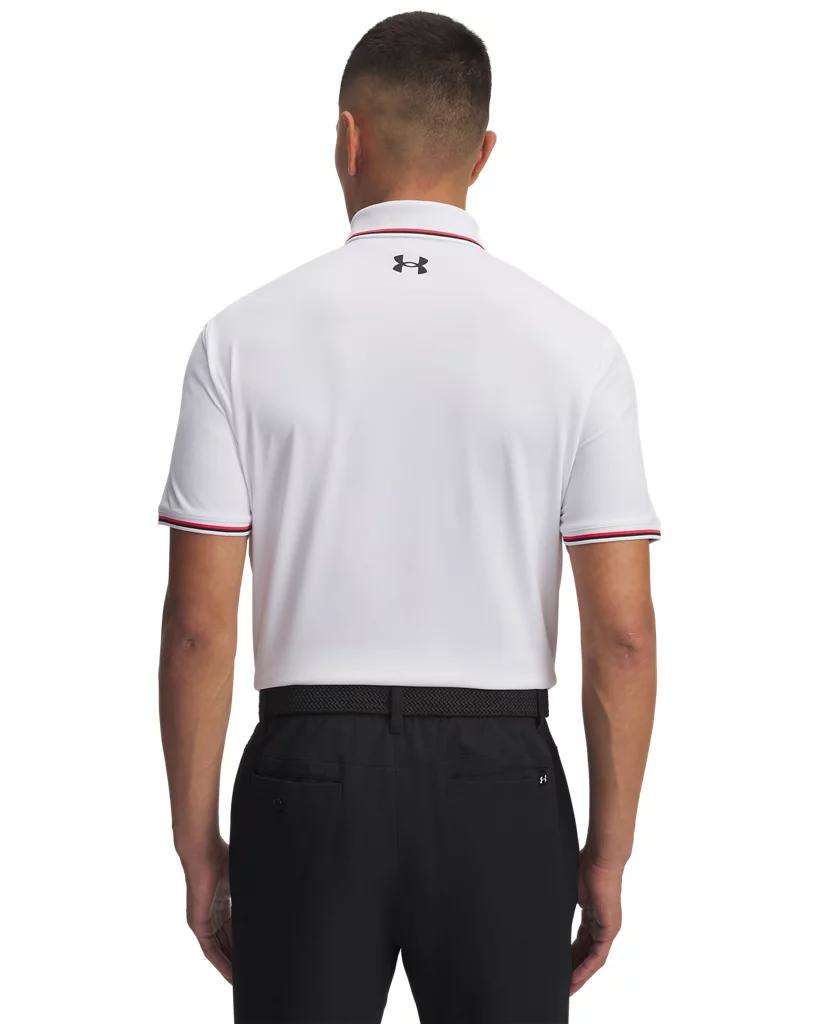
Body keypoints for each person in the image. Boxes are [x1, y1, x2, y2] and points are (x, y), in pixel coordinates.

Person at [157, 11, 660, 1023]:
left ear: (346, 139)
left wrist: (196, 844)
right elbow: (622, 635)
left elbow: (199, 626)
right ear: (483, 152)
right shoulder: (578, 348)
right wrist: (607, 854)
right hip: (501, 780)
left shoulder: (238, 338)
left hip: (306, 776)